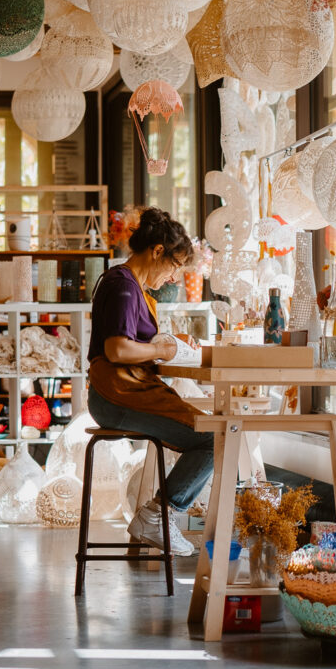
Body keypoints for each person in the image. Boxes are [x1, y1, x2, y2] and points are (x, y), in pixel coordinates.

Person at [88, 207, 214, 557]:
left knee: (214, 435)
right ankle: (159, 515)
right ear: (157, 252)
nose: (175, 278)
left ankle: (159, 515)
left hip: (124, 391)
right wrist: (159, 348)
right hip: (116, 394)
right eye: (175, 267)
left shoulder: (133, 288)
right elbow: (116, 349)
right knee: (214, 440)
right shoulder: (123, 286)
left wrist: (168, 346)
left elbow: (135, 346)